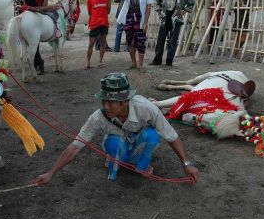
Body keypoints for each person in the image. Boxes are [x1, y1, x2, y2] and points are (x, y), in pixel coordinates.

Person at [34, 72, 199, 185]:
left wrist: (186, 163)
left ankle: (134, 163)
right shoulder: (97, 117)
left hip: (139, 139)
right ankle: (122, 160)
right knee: (114, 144)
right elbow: (75, 146)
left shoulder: (147, 108)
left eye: (110, 102)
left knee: (153, 137)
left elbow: (171, 136)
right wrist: (51, 173)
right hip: (118, 142)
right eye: (103, 101)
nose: (105, 106)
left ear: (125, 101)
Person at [20, 0, 61, 75]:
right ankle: (38, 64)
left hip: (26, 14)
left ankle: (38, 64)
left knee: (33, 45)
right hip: (31, 12)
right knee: (34, 45)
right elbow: (33, 7)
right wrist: (49, 7)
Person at [150, 0, 194, 67]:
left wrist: (184, 12)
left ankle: (169, 62)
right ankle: (157, 60)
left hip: (176, 18)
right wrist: (159, 13)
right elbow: (158, 0)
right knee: (160, 40)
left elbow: (191, 2)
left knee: (172, 42)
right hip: (165, 17)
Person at [116, 0, 154, 70]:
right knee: (130, 41)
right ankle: (134, 63)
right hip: (129, 17)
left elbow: (148, 7)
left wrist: (145, 22)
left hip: (140, 18)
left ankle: (140, 65)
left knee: (141, 42)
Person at [85, 0, 111, 69]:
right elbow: (89, 12)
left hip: (104, 22)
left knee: (103, 43)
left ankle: (100, 61)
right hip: (94, 23)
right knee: (91, 44)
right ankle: (88, 62)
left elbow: (108, 11)